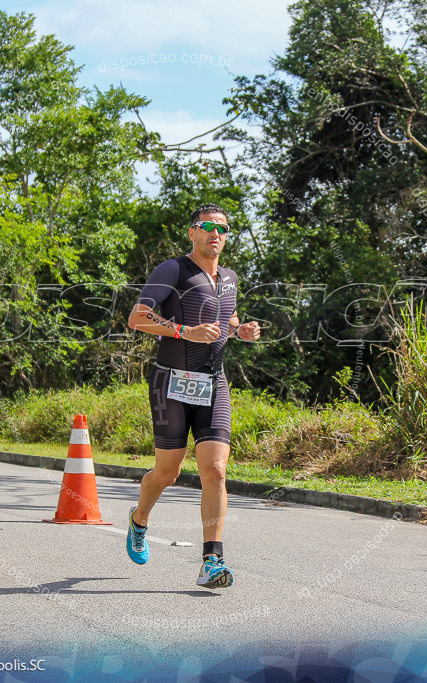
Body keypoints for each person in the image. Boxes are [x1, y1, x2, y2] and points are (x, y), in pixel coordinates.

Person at [125, 204, 261, 588]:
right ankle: (139, 519)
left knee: (215, 470)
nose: (215, 234)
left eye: (222, 229)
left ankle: (212, 561)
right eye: (207, 227)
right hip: (170, 382)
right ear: (192, 233)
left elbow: (225, 323)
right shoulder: (173, 270)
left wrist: (241, 332)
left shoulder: (230, 278)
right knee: (167, 472)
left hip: (214, 382)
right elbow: (137, 318)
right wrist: (184, 332)